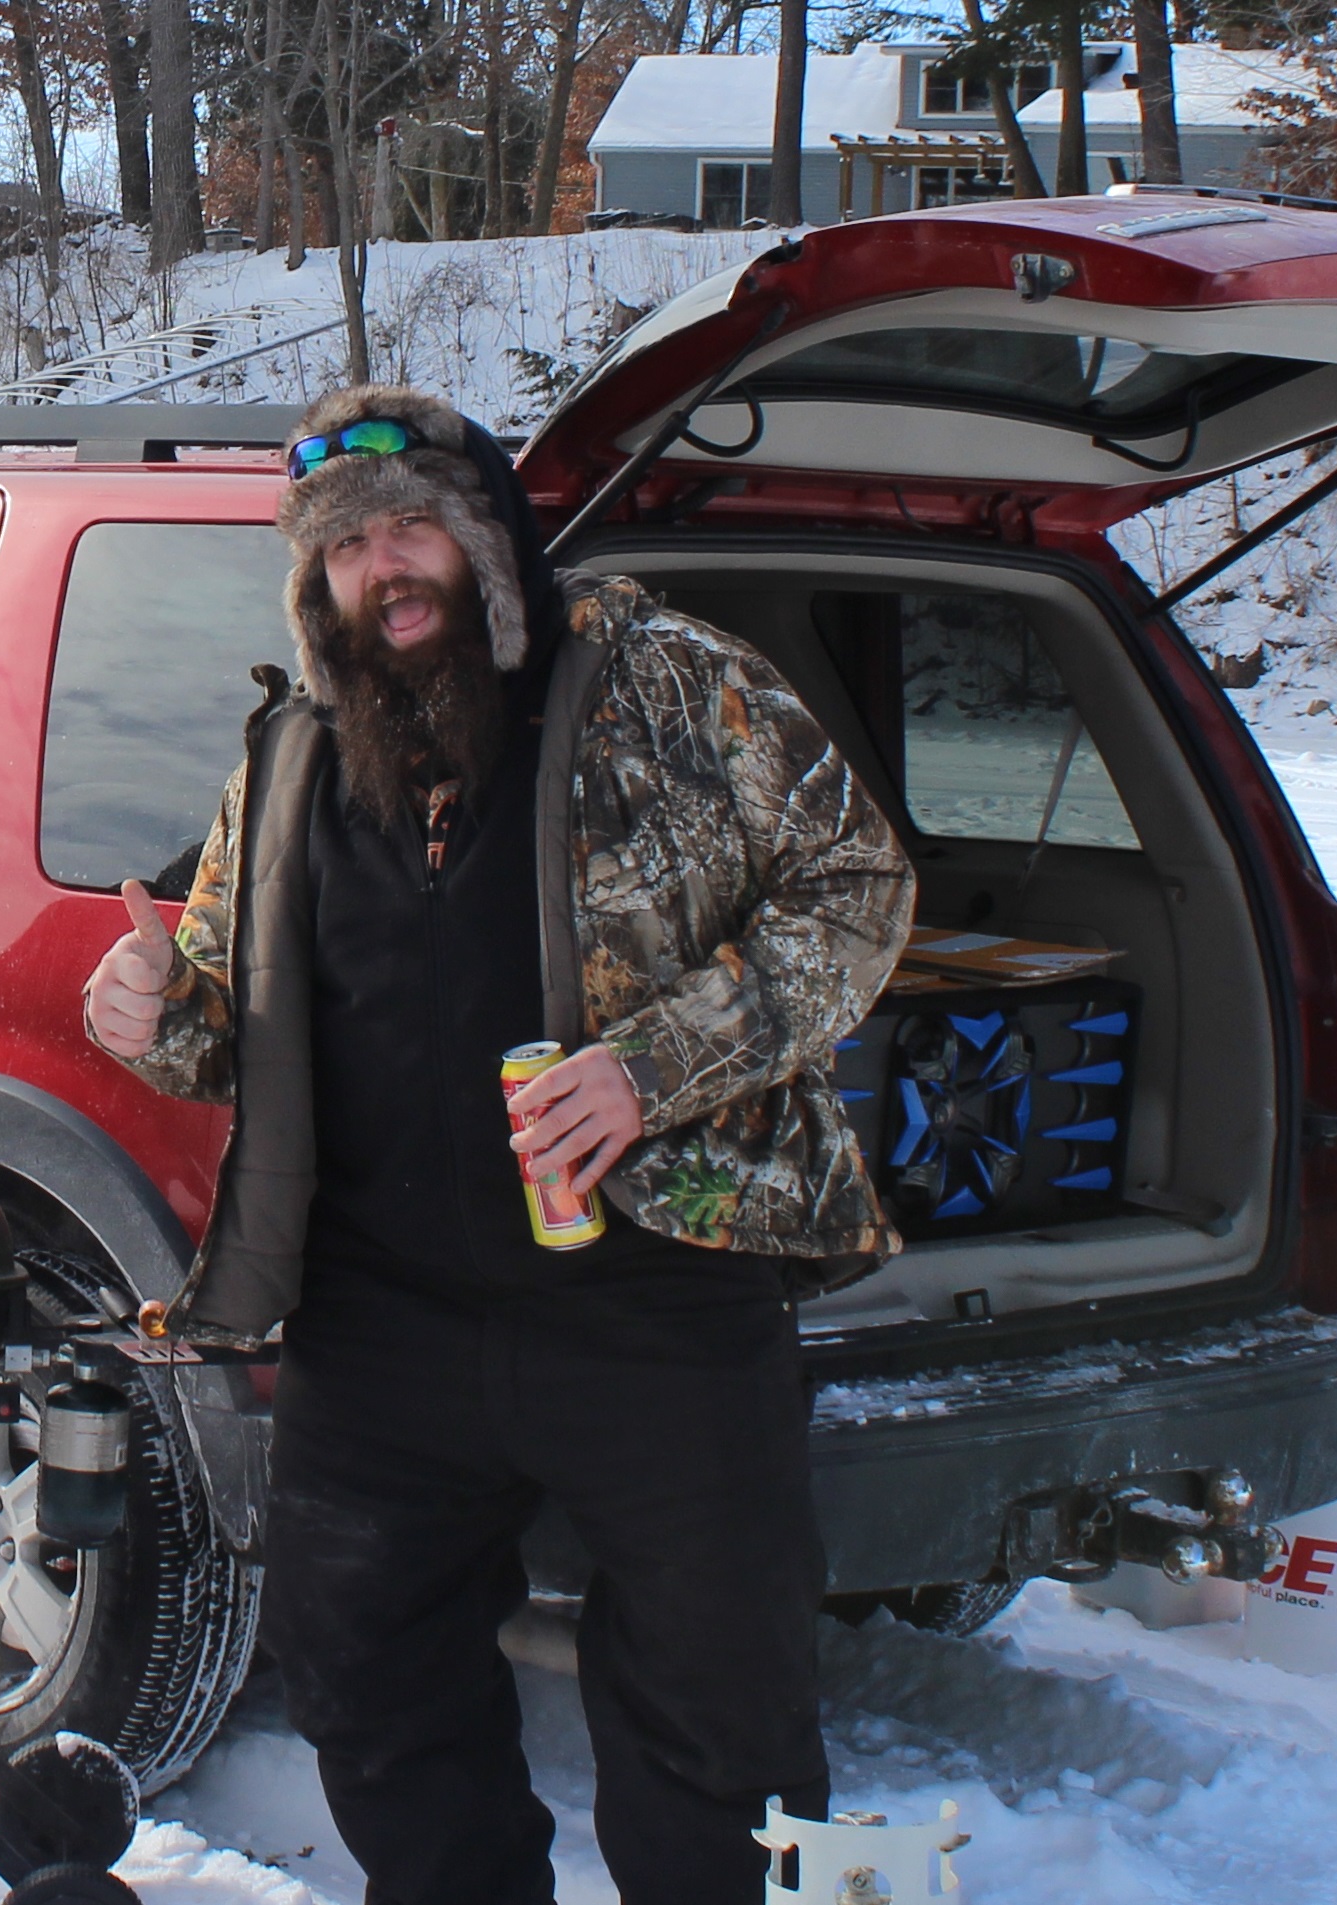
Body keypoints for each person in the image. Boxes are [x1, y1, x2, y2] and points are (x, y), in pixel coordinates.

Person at [80, 385, 914, 1903]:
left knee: (717, 1722)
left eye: (415, 530)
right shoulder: (290, 759)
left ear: (488, 543)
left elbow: (855, 886)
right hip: (383, 1318)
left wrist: (650, 1066)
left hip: (654, 1302)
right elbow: (222, 1014)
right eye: (346, 550)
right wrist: (151, 1005)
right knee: (373, 1696)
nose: (385, 570)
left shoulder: (664, 683)